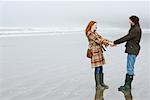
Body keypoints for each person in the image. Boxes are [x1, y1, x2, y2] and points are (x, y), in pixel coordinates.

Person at [113, 15, 142, 93]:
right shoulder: (135, 28)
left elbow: (127, 37)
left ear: (133, 21)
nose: (129, 22)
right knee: (129, 66)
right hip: (133, 49)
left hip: (133, 50)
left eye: (130, 20)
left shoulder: (136, 29)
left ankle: (127, 86)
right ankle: (127, 85)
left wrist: (115, 42)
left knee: (130, 67)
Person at [85, 20, 113, 92]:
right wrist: (109, 43)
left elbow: (102, 38)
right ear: (91, 25)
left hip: (99, 51)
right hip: (94, 52)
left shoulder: (95, 33)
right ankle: (98, 85)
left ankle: (101, 83)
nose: (96, 26)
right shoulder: (90, 33)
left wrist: (110, 42)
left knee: (100, 67)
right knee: (97, 68)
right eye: (95, 25)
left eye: (96, 25)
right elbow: (99, 40)